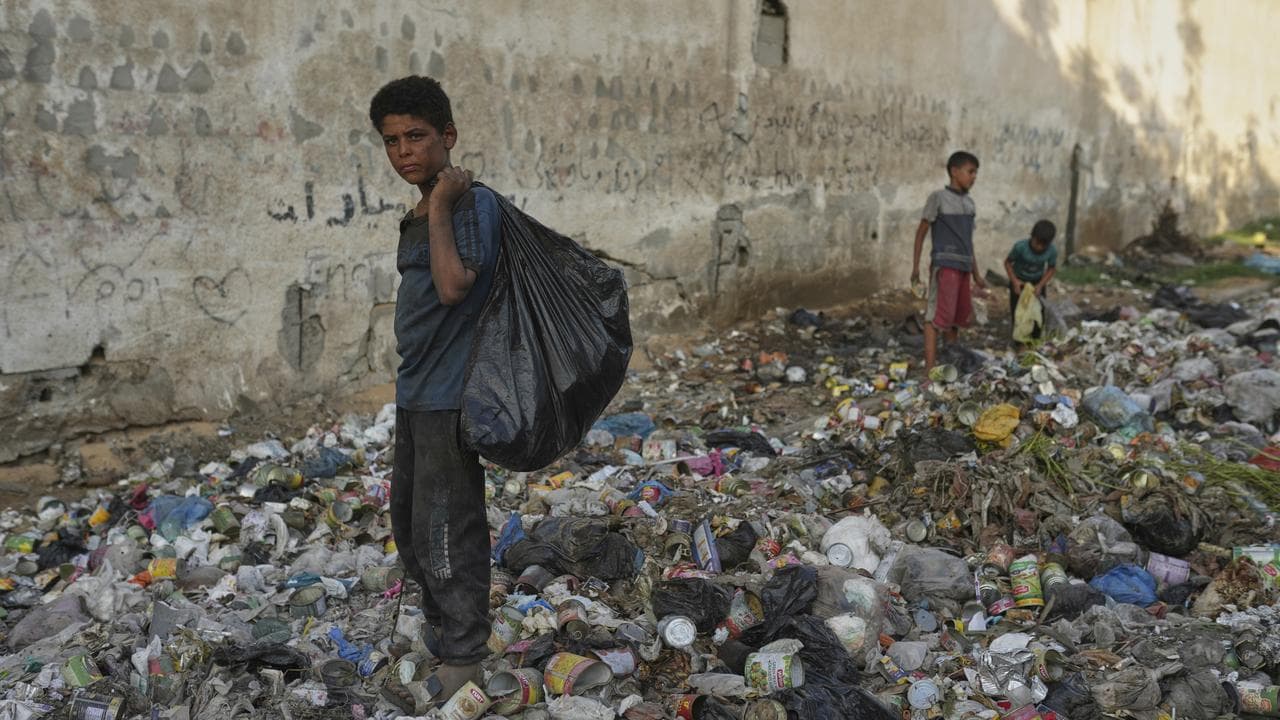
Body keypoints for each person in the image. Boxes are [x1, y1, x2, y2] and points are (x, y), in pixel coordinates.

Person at [369, 75, 499, 710]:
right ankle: (445, 631)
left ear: (448, 136)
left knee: (449, 528)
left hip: (452, 394)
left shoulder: (470, 206)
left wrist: (445, 203)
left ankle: (465, 653)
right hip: (416, 391)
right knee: (412, 526)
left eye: (416, 136)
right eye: (391, 141)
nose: (404, 152)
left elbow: (454, 288)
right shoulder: (417, 212)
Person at [911, 151, 989, 373]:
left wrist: (976, 274)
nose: (974, 177)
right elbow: (921, 232)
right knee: (935, 317)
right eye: (970, 172)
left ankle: (949, 365)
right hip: (945, 265)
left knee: (956, 317)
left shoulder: (970, 204)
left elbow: (968, 242)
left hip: (964, 266)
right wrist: (915, 267)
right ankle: (929, 370)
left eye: (976, 173)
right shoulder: (938, 198)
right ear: (954, 172)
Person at [1004, 219, 1058, 338]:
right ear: (1032, 236)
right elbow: (1008, 263)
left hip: (1037, 282)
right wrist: (1015, 282)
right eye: (1037, 243)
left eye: (1043, 245)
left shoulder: (1051, 251)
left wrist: (1040, 285)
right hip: (1019, 281)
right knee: (1018, 312)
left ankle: (1035, 340)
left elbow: (1051, 268)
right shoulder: (1020, 247)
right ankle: (1019, 341)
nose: (1039, 247)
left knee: (1038, 312)